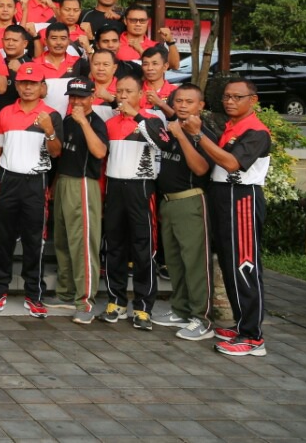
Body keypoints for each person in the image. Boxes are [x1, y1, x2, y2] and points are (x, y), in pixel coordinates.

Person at [196, 78, 272, 357]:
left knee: (244, 264)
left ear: (253, 100)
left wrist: (198, 135)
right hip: (223, 197)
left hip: (242, 199)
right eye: (227, 96)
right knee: (229, 263)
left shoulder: (256, 131)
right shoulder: (231, 127)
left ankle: (252, 336)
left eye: (237, 97)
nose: (230, 101)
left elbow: (231, 163)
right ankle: (242, 324)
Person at [0, 62, 62, 317]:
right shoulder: (6, 112)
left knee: (34, 240)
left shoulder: (51, 115)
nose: (28, 88)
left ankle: (34, 293)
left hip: (36, 182)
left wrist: (49, 131)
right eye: (24, 83)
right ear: (17, 85)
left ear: (42, 87)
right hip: (8, 179)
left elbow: (56, 152)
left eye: (33, 83)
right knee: (3, 238)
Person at [102, 75, 172, 330]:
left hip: (141, 187)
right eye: (119, 91)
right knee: (114, 246)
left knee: (144, 247)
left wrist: (137, 116)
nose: (122, 95)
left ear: (141, 94)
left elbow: (164, 143)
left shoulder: (152, 119)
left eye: (129, 91)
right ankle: (116, 301)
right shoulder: (110, 122)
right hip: (114, 187)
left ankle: (143, 307)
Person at [152, 83, 216, 340]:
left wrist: (182, 136)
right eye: (178, 101)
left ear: (200, 105)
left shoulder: (203, 133)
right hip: (168, 202)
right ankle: (180, 309)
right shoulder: (171, 128)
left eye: (189, 102)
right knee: (175, 262)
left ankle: (203, 319)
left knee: (195, 263)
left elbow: (201, 169)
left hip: (191, 202)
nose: (182, 105)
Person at [51, 77, 109, 324]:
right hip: (64, 181)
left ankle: (85, 302)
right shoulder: (66, 121)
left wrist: (84, 121)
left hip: (84, 183)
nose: (76, 101)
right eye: (73, 96)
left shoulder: (95, 122)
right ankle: (66, 292)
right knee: (63, 240)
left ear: (92, 98)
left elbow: (99, 152)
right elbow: (61, 156)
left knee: (83, 243)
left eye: (81, 97)